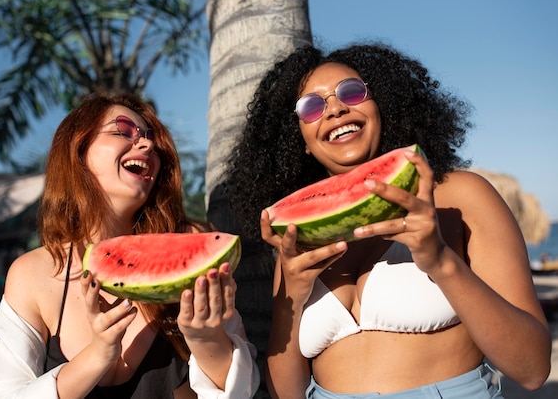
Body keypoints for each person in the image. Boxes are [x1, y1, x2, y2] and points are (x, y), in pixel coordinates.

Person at [224, 41, 551, 398]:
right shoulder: (300, 239)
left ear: (383, 107)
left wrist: (441, 262)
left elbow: (533, 369)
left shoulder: (461, 196)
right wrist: (292, 296)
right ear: (299, 139)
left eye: (351, 92)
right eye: (312, 106)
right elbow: (287, 393)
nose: (334, 109)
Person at [0, 90, 259, 398]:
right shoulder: (33, 274)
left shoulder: (191, 242)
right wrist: (97, 354)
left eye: (150, 138)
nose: (147, 144)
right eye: (123, 131)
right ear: (78, 151)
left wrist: (206, 338)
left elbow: (243, 391)